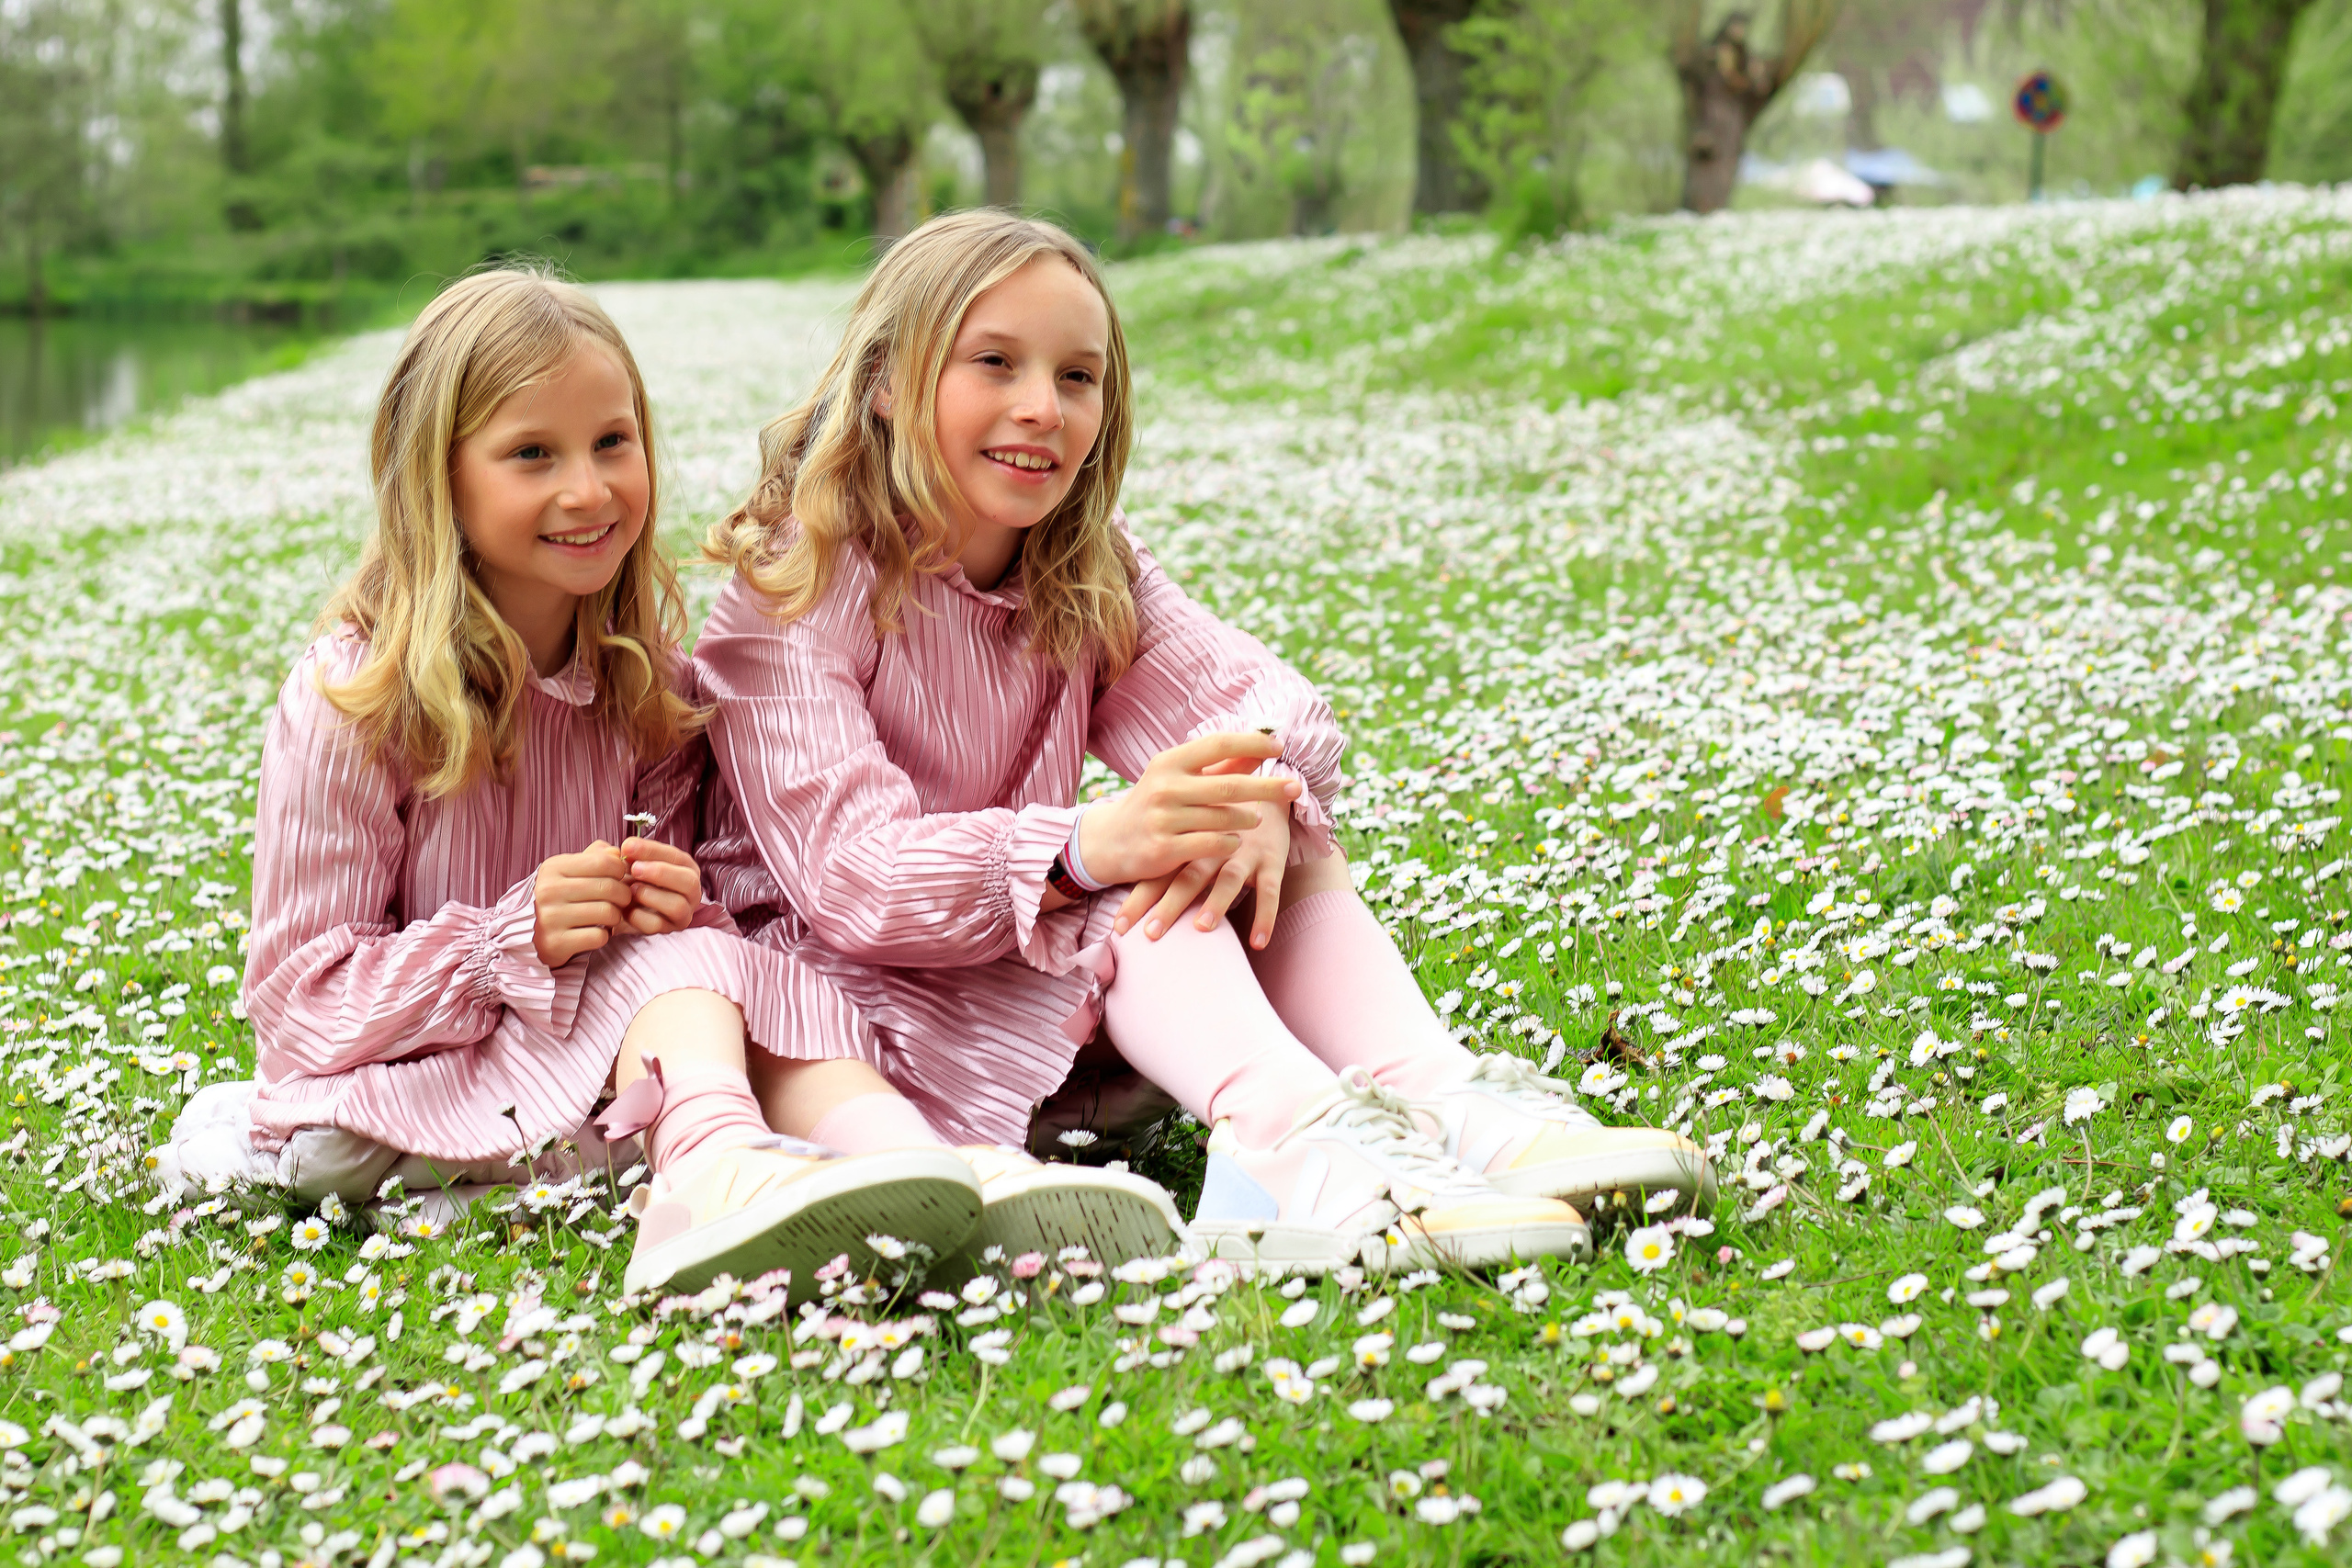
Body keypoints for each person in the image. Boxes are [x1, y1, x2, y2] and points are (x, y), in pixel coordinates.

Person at [695, 211, 1716, 1273]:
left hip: (1032, 998)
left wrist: (1253, 785)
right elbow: (852, 878)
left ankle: (1433, 1095)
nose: (1042, 408)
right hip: (847, 1013)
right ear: (888, 384)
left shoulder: (1082, 566)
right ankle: (1283, 1141)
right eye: (993, 363)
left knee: (1248, 803)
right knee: (1123, 861)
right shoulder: (794, 587)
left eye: (1079, 377)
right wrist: (1088, 844)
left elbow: (1260, 699)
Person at [237, 266, 1175, 1297]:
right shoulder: (351, 699)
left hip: (618, 1064)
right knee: (678, 965)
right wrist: (515, 936)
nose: (587, 490)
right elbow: (297, 1005)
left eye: (612, 443)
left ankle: (924, 1164)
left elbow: (707, 935)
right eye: (530, 456)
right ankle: (717, 1171)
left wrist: (675, 900)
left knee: (741, 953)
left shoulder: (651, 691)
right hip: (416, 1077)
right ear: (439, 478)